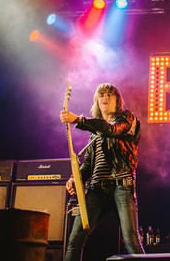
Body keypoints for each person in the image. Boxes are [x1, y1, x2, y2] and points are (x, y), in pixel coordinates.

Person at [59, 83, 144, 260]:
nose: (105, 97)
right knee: (75, 240)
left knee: (131, 242)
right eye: (101, 95)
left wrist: (78, 120)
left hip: (122, 186)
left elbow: (111, 130)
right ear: (97, 101)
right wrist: (77, 178)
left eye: (110, 95)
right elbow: (89, 165)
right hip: (96, 190)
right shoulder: (94, 132)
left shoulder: (127, 119)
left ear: (117, 101)